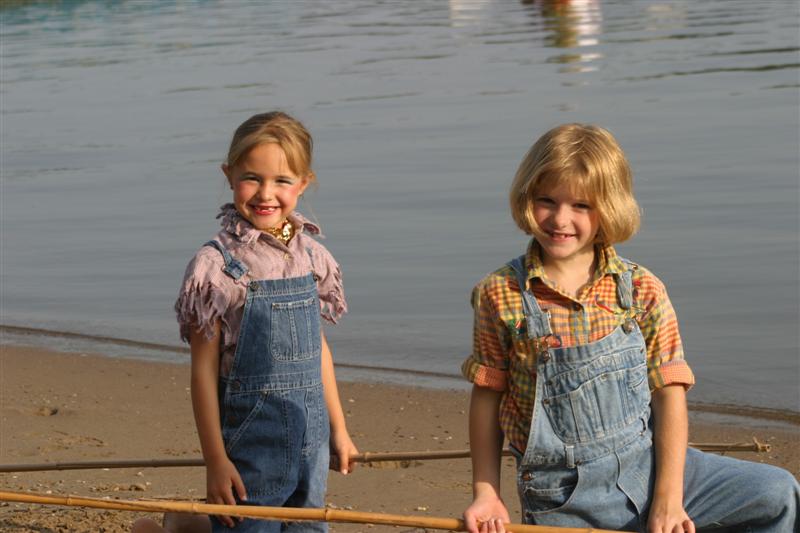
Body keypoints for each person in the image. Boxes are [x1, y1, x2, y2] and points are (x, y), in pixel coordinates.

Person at [461, 124, 799, 533]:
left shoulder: (642, 289)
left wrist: (668, 502)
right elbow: (488, 397)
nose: (561, 219)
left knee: (777, 493)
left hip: (653, 467)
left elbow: (668, 393)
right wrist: (486, 492)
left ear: (609, 209)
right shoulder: (500, 293)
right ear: (526, 198)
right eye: (546, 200)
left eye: (581, 205)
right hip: (566, 494)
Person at [175, 111, 358, 532]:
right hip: (251, 441)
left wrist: (339, 428)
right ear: (229, 175)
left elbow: (318, 351)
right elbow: (202, 372)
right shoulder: (216, 267)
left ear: (304, 183)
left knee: (308, 525)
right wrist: (215, 461)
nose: (265, 194)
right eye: (252, 178)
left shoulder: (312, 257)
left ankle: (186, 525)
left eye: (281, 181)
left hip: (311, 438)